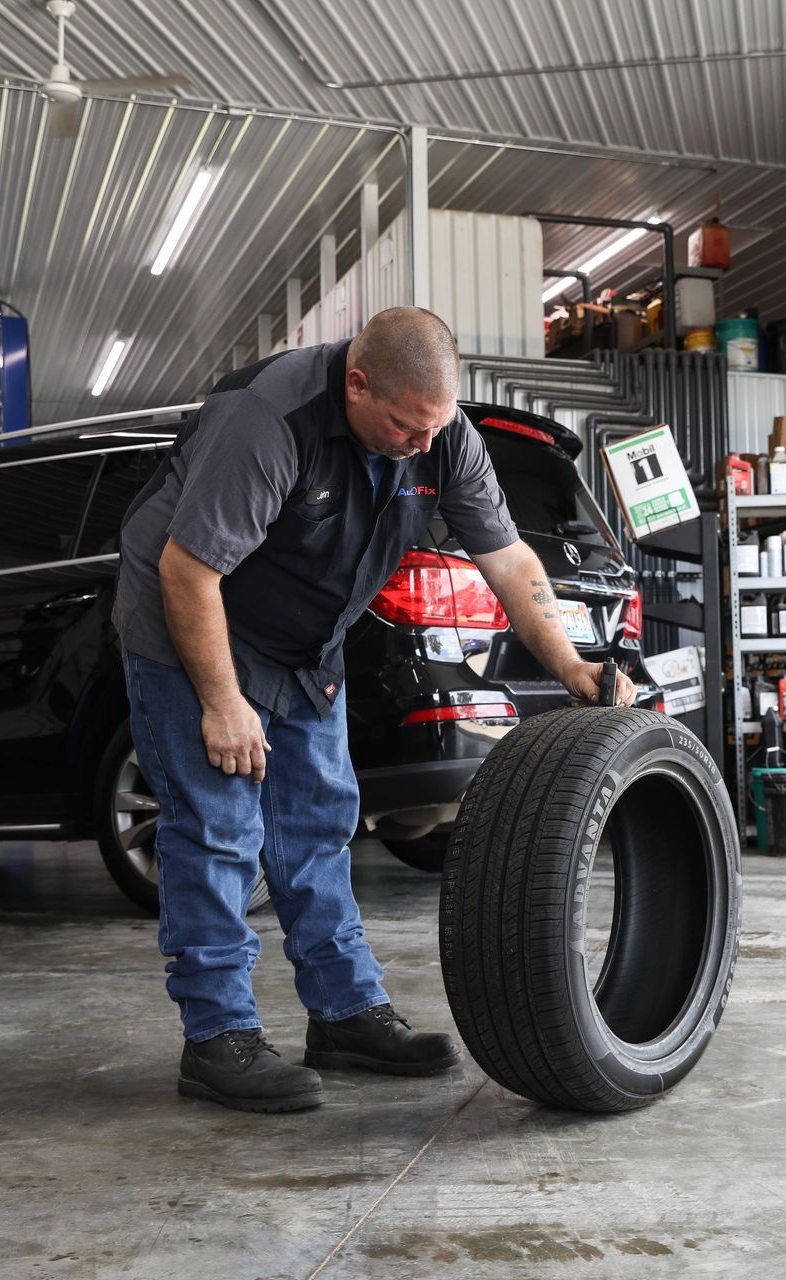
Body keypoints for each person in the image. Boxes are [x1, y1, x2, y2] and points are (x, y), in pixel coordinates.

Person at [111, 307, 635, 1113]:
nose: (422, 446)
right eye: (403, 426)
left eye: (433, 427)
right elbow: (187, 571)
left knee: (320, 820)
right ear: (356, 384)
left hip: (307, 641)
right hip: (193, 628)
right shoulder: (268, 419)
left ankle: (346, 1014)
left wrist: (570, 665)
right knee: (220, 830)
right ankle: (217, 1039)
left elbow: (507, 556)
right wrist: (221, 702)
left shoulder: (443, 433)